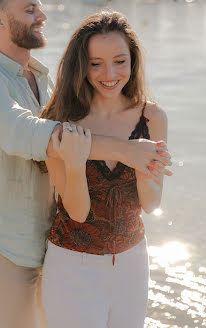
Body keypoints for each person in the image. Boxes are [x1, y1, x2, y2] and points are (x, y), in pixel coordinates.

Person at [0, 2, 170, 328]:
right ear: (83, 65)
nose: (110, 74)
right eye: (96, 64)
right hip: (70, 264)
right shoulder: (63, 122)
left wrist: (143, 168)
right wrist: (80, 162)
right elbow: (77, 213)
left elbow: (151, 204)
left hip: (132, 261)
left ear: (133, 61)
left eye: (120, 61)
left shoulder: (152, 118)